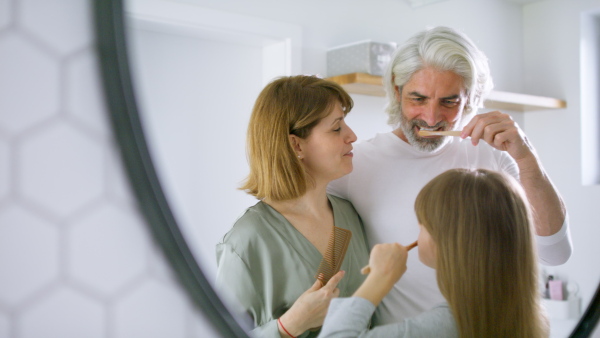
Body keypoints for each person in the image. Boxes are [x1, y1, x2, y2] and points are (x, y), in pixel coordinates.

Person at [327, 26, 572, 325]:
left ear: (470, 98)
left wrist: (526, 157)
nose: (431, 118)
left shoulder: (493, 155)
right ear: (396, 90)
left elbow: (555, 253)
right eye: (418, 99)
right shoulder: (358, 162)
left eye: (449, 102)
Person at [216, 75, 370, 338]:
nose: (352, 136)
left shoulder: (350, 214)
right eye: (336, 128)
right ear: (296, 144)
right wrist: (289, 326)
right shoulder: (245, 243)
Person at [320, 168, 549, 337]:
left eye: (422, 225)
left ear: (450, 241)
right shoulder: (531, 317)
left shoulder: (447, 326)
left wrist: (380, 277)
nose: (418, 235)